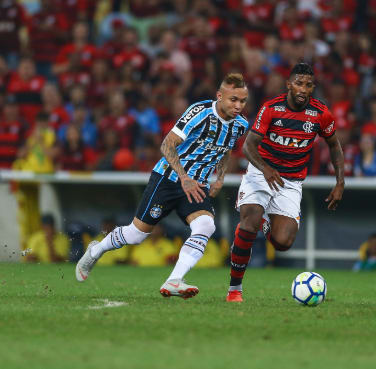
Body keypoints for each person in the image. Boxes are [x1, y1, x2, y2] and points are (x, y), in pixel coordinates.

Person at [76, 73, 250, 300]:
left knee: (206, 226)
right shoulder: (199, 113)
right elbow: (167, 144)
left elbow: (225, 149)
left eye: (243, 101)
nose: (238, 106)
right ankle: (96, 250)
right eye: (233, 100)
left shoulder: (240, 124)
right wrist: (184, 177)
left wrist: (220, 178)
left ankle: (174, 280)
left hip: (196, 186)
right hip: (167, 179)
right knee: (136, 234)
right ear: (220, 96)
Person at [226, 63, 345, 302]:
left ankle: (266, 222)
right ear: (289, 84)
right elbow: (248, 146)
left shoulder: (321, 113)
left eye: (309, 84)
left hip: (290, 182)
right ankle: (234, 290)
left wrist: (340, 182)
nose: (303, 88)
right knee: (249, 221)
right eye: (299, 83)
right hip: (261, 172)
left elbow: (334, 145)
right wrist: (266, 169)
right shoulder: (271, 108)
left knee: (283, 243)